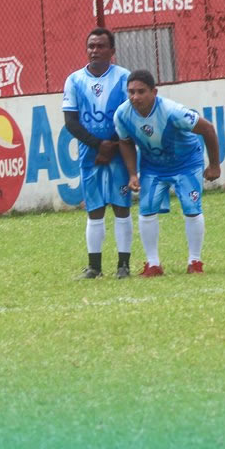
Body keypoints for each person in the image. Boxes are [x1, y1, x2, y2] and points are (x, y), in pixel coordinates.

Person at [114, 70, 221, 276]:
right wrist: (133, 174)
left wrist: (214, 165)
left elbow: (207, 128)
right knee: (146, 210)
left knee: (191, 208)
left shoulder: (172, 111)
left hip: (186, 163)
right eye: (131, 92)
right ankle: (153, 264)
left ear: (154, 92)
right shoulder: (122, 114)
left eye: (141, 92)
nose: (135, 97)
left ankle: (195, 262)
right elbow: (125, 142)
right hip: (153, 166)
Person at [61, 27, 133, 279]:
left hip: (120, 151)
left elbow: (130, 116)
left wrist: (110, 145)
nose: (95, 50)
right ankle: (94, 267)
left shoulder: (124, 78)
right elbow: (71, 122)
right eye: (91, 46)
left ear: (112, 50)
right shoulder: (74, 80)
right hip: (89, 154)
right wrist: (97, 145)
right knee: (94, 209)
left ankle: (123, 266)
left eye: (101, 46)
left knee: (121, 206)